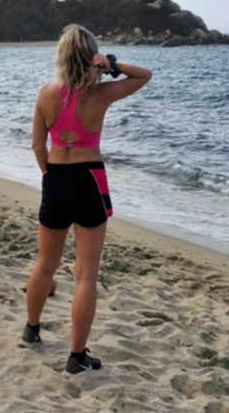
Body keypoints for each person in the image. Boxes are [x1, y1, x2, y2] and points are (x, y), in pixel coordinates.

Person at [21, 24, 152, 374]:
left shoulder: (46, 93)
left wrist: (48, 173)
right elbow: (144, 76)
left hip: (56, 178)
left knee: (44, 264)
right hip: (89, 179)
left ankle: (31, 329)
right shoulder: (101, 94)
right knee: (86, 276)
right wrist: (113, 65)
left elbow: (36, 144)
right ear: (92, 56)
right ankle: (76, 356)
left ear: (61, 56)